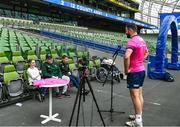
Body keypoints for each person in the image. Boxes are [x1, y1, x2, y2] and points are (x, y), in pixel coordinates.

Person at [124, 24, 148, 127]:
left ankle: (138, 121)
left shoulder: (132, 41)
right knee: (139, 95)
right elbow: (147, 52)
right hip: (141, 70)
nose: (125, 32)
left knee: (135, 96)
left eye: (126, 30)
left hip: (134, 72)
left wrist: (126, 70)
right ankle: (138, 115)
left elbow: (126, 56)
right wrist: (140, 61)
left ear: (130, 30)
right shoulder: (141, 39)